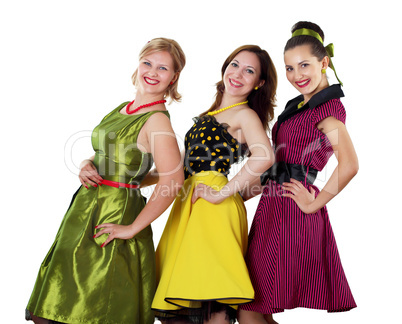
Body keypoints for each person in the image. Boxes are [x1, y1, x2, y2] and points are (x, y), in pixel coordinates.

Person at [25, 37, 186, 324]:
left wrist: (132, 228)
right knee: (56, 302)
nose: (152, 71)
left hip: (114, 215)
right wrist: (87, 163)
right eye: (148, 63)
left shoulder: (157, 120)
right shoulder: (123, 108)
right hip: (85, 209)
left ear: (174, 77)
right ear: (138, 64)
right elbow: (119, 159)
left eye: (163, 68)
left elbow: (173, 179)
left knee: (95, 307)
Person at [238, 21, 358, 324]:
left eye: (304, 65)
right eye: (289, 68)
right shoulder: (299, 107)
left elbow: (350, 164)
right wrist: (238, 197)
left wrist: (313, 203)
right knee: (258, 309)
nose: (296, 75)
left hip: (292, 213)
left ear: (324, 62)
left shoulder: (326, 109)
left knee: (249, 307)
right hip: (273, 207)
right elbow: (278, 167)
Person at [150, 45, 277, 324]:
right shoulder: (211, 114)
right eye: (234, 64)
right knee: (180, 305)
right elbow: (180, 165)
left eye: (250, 71)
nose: (238, 74)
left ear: (260, 83)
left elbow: (265, 156)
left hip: (212, 208)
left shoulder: (244, 114)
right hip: (188, 206)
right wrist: (131, 180)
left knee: (211, 302)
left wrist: (223, 192)